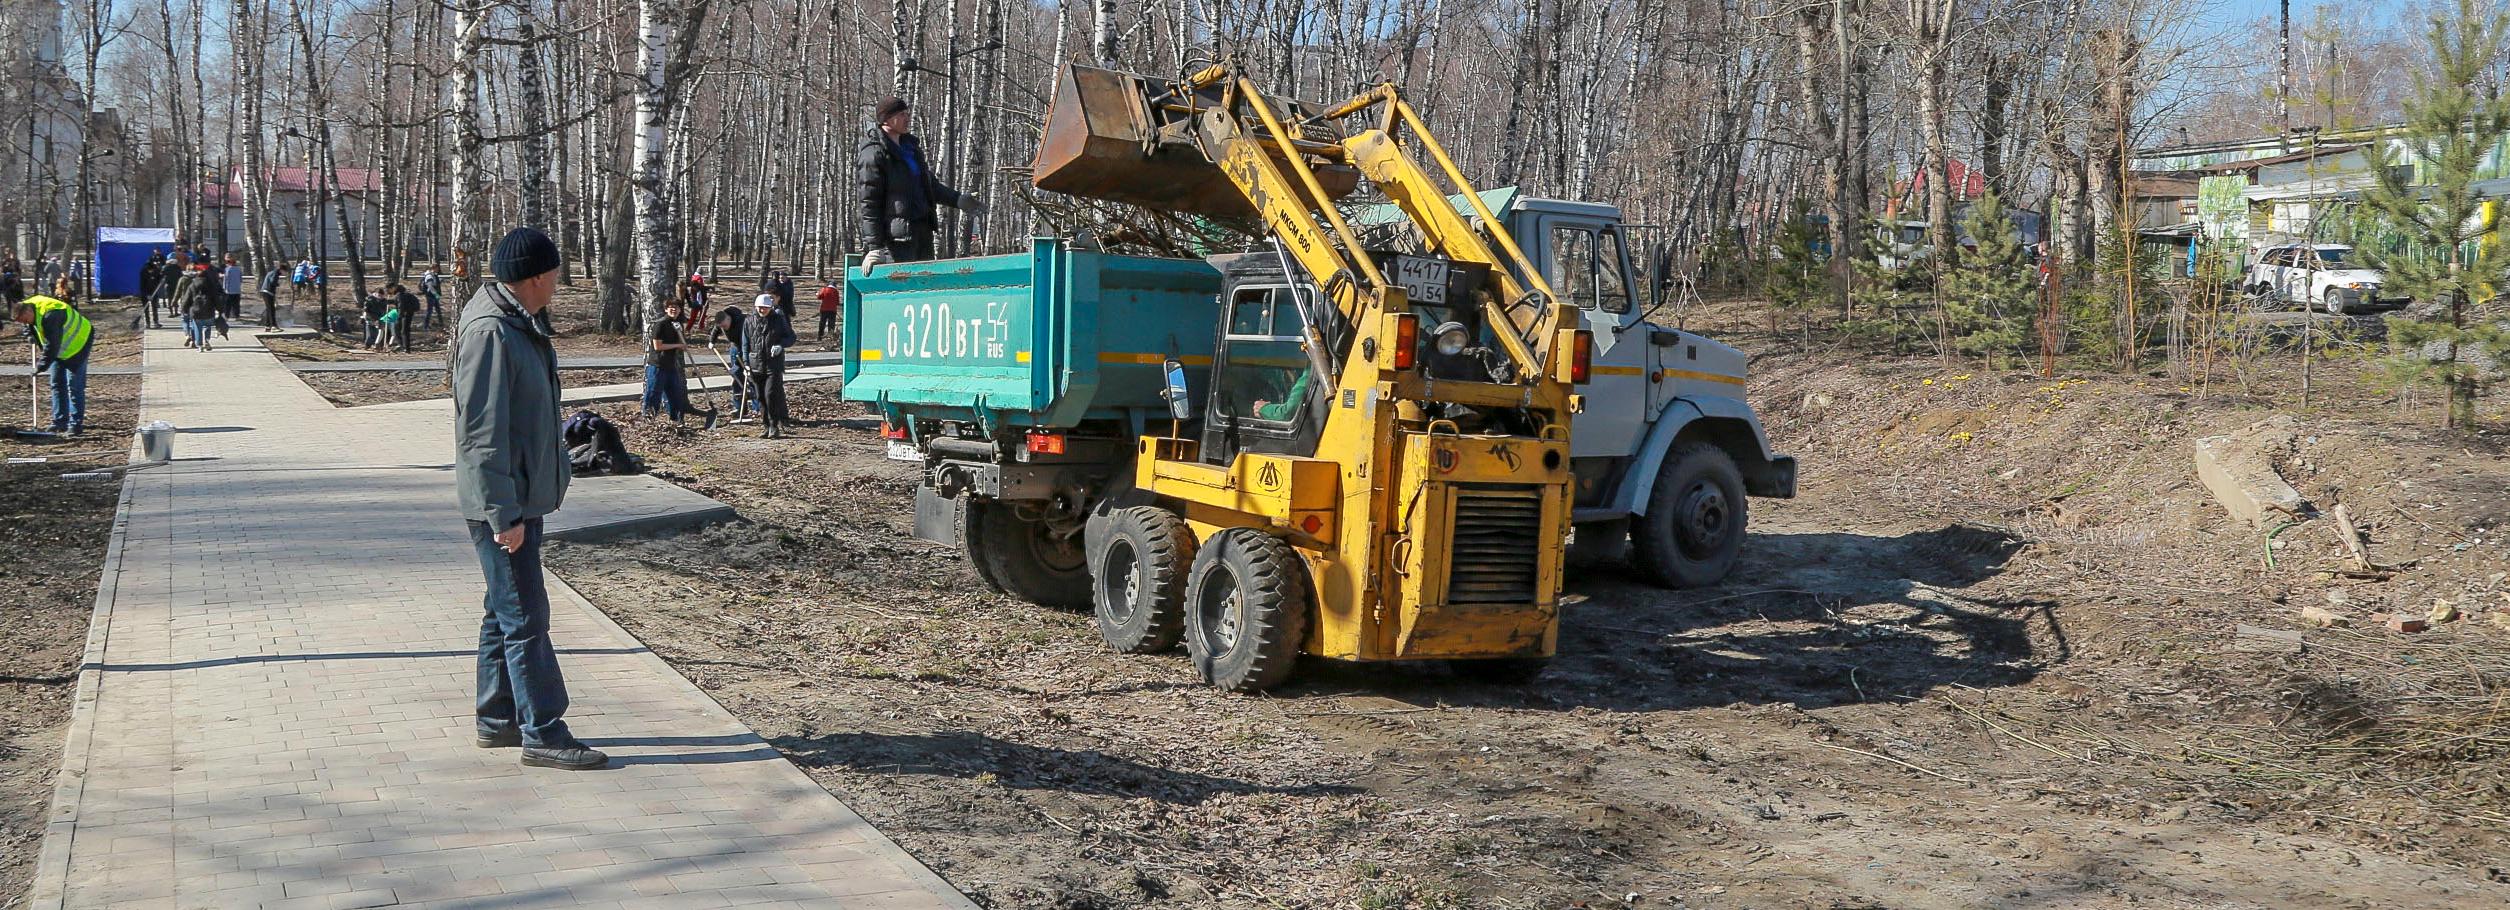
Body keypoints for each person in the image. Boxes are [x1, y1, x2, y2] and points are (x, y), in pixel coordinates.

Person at [451, 226, 605, 771]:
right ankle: (544, 731)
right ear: (537, 277)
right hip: (504, 504)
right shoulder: (492, 331)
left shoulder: (516, 321)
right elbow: (481, 431)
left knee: (503, 610)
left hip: (516, 496)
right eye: (556, 276)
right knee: (526, 617)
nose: (558, 285)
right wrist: (504, 513)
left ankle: (497, 720)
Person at [856, 96, 982, 272]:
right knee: (902, 291)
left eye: (907, 113)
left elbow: (930, 186)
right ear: (886, 119)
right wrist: (875, 247)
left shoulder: (911, 150)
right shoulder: (874, 153)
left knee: (924, 288)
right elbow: (869, 204)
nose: (907, 118)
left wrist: (958, 199)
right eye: (901, 114)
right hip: (898, 240)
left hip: (923, 233)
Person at [12, 295, 92, 435]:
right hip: (59, 350)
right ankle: (60, 421)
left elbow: (52, 346)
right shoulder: (28, 305)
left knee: (74, 386)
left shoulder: (51, 316)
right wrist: (29, 332)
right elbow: (31, 325)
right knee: (56, 383)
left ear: (28, 312)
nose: (25, 323)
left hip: (79, 343)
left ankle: (76, 424)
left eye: (25, 320)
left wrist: (41, 366)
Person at [740, 294, 795, 438]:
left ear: (770, 308)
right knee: (760, 397)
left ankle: (774, 425)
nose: (762, 310)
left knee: (770, 395)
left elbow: (791, 337)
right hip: (755, 365)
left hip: (773, 365)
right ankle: (765, 425)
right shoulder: (748, 321)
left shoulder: (778, 319)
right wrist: (745, 364)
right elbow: (745, 344)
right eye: (760, 308)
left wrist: (780, 346)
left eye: (765, 308)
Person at [641, 301, 703, 424]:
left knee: (674, 394)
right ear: (666, 310)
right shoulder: (660, 324)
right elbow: (657, 346)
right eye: (670, 307)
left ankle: (677, 420)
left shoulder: (677, 324)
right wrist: (678, 345)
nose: (673, 309)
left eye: (676, 307)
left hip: (670, 365)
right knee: (654, 393)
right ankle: (649, 420)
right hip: (657, 365)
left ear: (680, 310)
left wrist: (681, 344)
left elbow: (679, 342)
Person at [708, 294, 748, 410]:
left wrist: (739, 363)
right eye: (722, 327)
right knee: (736, 378)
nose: (724, 328)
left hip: (745, 348)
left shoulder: (742, 324)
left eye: (725, 326)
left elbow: (745, 345)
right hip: (734, 347)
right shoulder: (721, 322)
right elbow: (716, 330)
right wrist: (712, 341)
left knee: (746, 377)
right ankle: (739, 407)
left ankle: (757, 407)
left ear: (728, 318)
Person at [181, 264, 219, 351]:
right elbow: (216, 298)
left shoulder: (192, 285)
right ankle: (207, 340)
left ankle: (200, 346)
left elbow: (187, 298)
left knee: (197, 328)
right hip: (209, 310)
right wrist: (220, 309)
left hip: (196, 310)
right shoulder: (211, 285)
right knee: (207, 326)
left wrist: (184, 309)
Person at [389, 282, 421, 352]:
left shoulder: (400, 294)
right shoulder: (402, 293)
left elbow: (401, 306)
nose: (389, 291)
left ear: (393, 288)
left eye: (389, 289)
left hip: (405, 314)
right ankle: (404, 346)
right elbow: (397, 301)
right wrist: (388, 301)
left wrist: (399, 317)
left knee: (402, 331)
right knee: (403, 330)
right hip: (408, 313)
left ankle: (405, 347)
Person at [362, 285, 389, 350]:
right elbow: (366, 309)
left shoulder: (384, 301)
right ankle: (367, 345)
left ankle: (379, 345)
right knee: (371, 333)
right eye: (379, 296)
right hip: (370, 317)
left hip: (380, 317)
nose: (381, 297)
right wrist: (365, 314)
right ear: (376, 294)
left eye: (382, 296)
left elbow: (385, 309)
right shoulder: (370, 299)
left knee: (380, 331)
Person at [258, 263, 284, 328]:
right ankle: (273, 326)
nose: (284, 273)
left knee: (269, 309)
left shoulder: (272, 272)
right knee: (271, 310)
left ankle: (267, 325)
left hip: (265, 292)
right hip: (268, 292)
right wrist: (277, 284)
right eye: (284, 271)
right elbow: (272, 282)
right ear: (281, 269)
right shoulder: (275, 273)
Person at [220, 255, 245, 320]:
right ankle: (237, 316)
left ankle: (226, 316)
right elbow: (241, 279)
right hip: (237, 289)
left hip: (229, 290)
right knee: (236, 304)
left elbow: (226, 279)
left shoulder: (227, 269)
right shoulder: (239, 269)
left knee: (227, 304)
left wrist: (224, 288)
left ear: (229, 263)